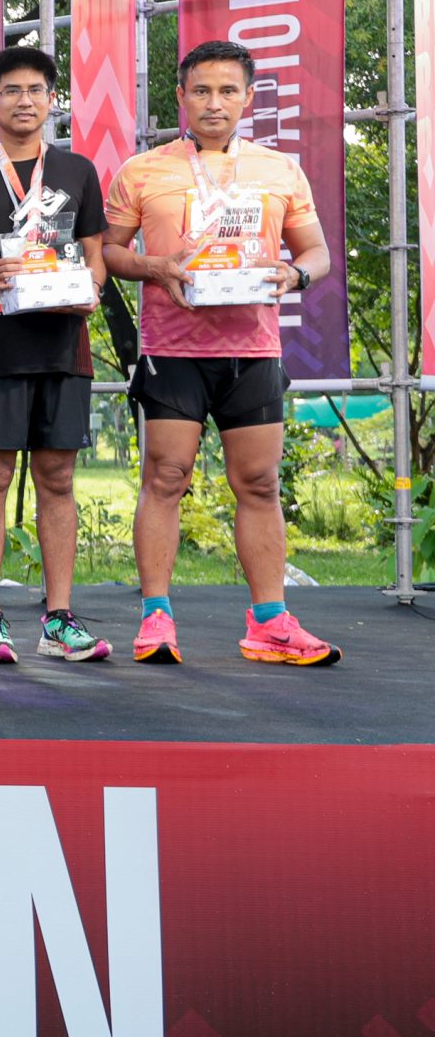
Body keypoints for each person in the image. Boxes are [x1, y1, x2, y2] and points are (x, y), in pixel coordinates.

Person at [101, 38, 340, 666]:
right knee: (165, 478)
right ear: (181, 96)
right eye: (202, 90)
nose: (214, 102)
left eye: (228, 90)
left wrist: (295, 275)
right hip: (172, 349)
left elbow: (316, 252)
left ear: (247, 98)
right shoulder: (142, 170)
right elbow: (109, 252)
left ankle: (270, 622)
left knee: (259, 483)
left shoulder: (279, 170)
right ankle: (156, 618)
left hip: (253, 348)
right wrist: (156, 266)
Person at [0, 47, 111, 665]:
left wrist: (92, 290)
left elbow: (96, 255)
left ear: (52, 100)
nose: (24, 100)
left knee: (58, 479)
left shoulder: (78, 171)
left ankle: (59, 618)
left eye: (36, 90)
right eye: (11, 91)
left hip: (64, 349)